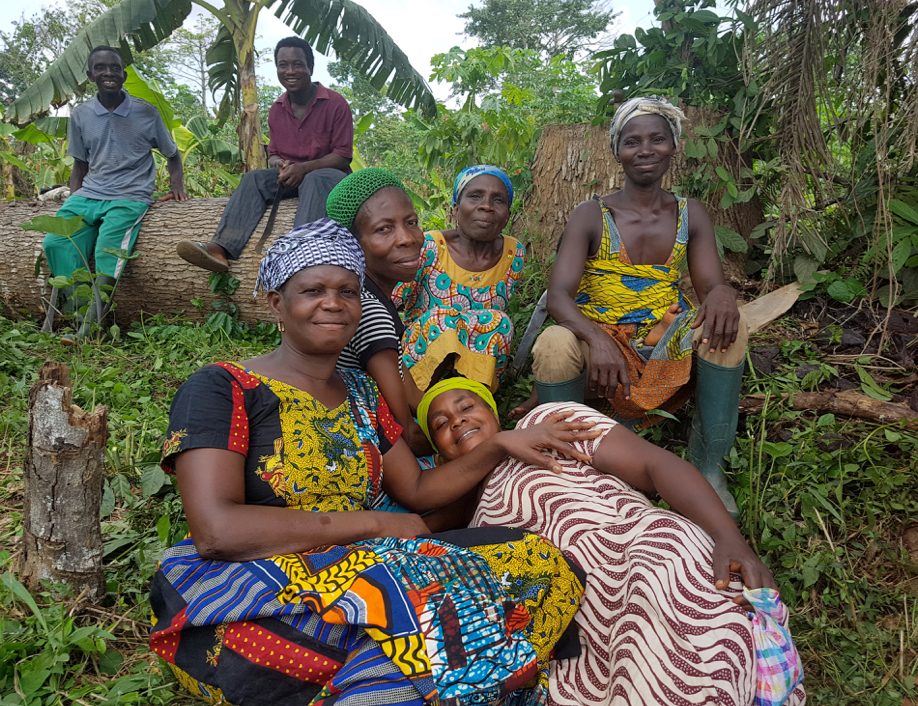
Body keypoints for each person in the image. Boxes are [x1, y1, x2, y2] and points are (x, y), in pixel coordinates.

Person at [149, 219, 594, 705]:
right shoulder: (223, 387)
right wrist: (375, 524)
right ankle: (403, 677)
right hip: (251, 590)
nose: (333, 303)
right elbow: (217, 531)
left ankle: (380, 682)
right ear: (277, 303)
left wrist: (499, 445)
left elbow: (418, 492)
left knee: (540, 562)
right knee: (426, 600)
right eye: (312, 290)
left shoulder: (363, 393)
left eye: (347, 291)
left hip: (362, 574)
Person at [417, 370, 806, 706]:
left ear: (493, 412)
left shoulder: (546, 422)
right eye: (440, 424)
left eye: (467, 406)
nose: (456, 421)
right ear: (440, 459)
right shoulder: (468, 524)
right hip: (573, 607)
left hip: (642, 548)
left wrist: (728, 537)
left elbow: (654, 465)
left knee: (681, 601)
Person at [527, 95, 748, 515]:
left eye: (657, 139)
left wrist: (721, 293)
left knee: (730, 331)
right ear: (617, 151)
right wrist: (597, 338)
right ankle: (572, 466)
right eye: (632, 141)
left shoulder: (690, 214)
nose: (645, 150)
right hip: (600, 331)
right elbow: (558, 295)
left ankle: (709, 467)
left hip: (662, 332)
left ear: (673, 147)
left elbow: (711, 285)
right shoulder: (592, 214)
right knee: (555, 344)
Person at [41, 45, 186, 337]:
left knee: (107, 250)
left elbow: (172, 154)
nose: (109, 73)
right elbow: (80, 164)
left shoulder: (145, 112)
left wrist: (177, 187)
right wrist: (74, 198)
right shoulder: (81, 115)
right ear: (90, 74)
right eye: (101, 68)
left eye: (115, 68)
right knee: (56, 241)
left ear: (123, 72)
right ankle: (78, 311)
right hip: (90, 193)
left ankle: (91, 328)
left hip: (130, 196)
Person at [175, 37, 352, 272]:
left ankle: (303, 249)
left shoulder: (335, 103)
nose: (290, 71)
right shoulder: (277, 109)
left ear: (310, 67)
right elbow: (275, 153)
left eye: (297, 64)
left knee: (313, 178)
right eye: (283, 65)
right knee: (254, 178)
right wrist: (281, 164)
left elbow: (342, 156)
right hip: (293, 176)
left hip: (329, 177)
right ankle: (220, 249)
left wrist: (304, 168)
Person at [326, 167, 434, 455]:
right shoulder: (370, 312)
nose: (407, 238)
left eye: (411, 222)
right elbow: (403, 434)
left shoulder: (371, 299)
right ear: (353, 244)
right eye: (384, 229)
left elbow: (411, 392)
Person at [396, 165, 525, 392]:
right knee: (443, 319)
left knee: (499, 322)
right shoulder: (429, 247)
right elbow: (390, 302)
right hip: (419, 364)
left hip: (475, 369)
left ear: (508, 216)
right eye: (475, 196)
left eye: (498, 200)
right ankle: (421, 404)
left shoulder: (514, 254)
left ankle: (475, 402)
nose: (486, 206)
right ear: (455, 208)